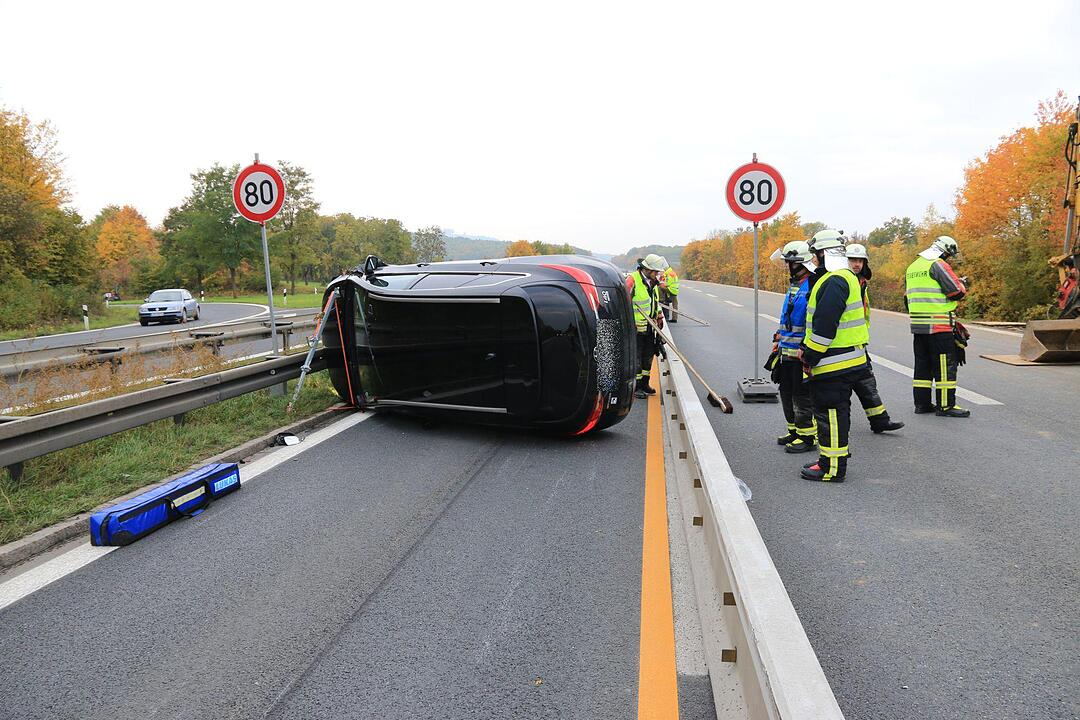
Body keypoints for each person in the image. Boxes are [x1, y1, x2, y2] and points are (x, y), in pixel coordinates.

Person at [797, 229, 871, 482]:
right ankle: (828, 461)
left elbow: (825, 327)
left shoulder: (834, 281)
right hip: (846, 360)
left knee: (831, 415)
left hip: (834, 363)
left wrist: (809, 356)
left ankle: (832, 468)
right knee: (834, 414)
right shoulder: (844, 277)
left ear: (823, 253)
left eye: (816, 255)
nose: (814, 262)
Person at [904, 236, 969, 417]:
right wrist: (963, 284)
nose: (948, 258)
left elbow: (906, 298)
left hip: (918, 326)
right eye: (948, 254)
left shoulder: (913, 267)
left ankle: (922, 404)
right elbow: (955, 292)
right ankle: (946, 406)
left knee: (922, 365)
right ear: (945, 251)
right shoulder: (938, 264)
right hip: (939, 326)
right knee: (945, 365)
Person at [845, 243, 903, 433]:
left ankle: (880, 420)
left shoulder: (861, 281)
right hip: (843, 342)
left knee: (866, 380)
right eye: (853, 260)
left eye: (860, 260)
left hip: (858, 340)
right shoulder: (842, 280)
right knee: (844, 385)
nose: (856, 264)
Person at [770, 241, 817, 453]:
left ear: (800, 264)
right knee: (786, 392)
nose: (787, 267)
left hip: (801, 354)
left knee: (801, 395)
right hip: (786, 352)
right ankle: (794, 430)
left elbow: (812, 322)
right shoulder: (795, 286)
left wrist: (807, 350)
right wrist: (778, 341)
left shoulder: (812, 287)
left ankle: (807, 437)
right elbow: (786, 317)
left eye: (789, 263)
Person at [625, 254, 665, 399]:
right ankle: (636, 388)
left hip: (649, 327)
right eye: (656, 271)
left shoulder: (652, 283)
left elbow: (655, 302)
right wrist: (629, 323)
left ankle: (645, 384)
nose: (657, 274)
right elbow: (624, 303)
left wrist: (659, 315)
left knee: (648, 356)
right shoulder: (632, 280)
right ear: (647, 269)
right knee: (636, 358)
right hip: (635, 329)